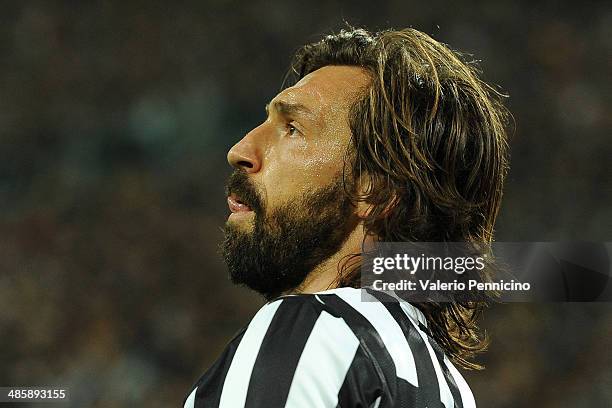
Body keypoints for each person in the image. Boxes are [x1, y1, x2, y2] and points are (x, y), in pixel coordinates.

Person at [183, 26, 509, 408]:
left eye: (292, 128)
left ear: (374, 189)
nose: (240, 150)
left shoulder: (312, 336)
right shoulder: (444, 385)